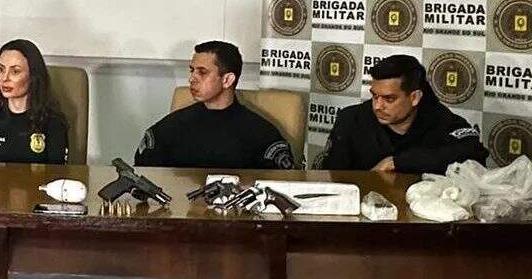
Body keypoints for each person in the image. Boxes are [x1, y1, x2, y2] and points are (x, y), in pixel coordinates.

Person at [135, 40, 294, 169]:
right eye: (192, 70)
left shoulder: (262, 135)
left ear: (227, 80)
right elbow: (144, 172)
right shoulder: (170, 128)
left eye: (202, 72)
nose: (191, 79)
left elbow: (282, 184)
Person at [322, 54, 488, 173]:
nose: (378, 106)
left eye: (389, 99)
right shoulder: (350, 119)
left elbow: (475, 154)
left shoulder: (441, 120)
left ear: (414, 97)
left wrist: (399, 162)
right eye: (374, 96)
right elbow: (332, 177)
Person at [0, 39, 68, 164]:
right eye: (1, 69)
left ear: (33, 76)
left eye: (15, 71)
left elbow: (57, 173)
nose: (4, 78)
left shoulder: (53, 121)